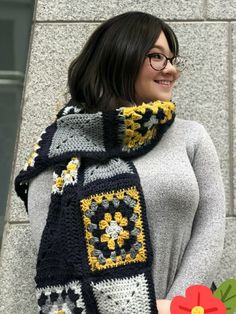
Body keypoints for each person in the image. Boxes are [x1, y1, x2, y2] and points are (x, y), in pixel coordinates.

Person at [15, 11, 225, 314]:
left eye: (173, 59)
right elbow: (53, 250)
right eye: (157, 57)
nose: (171, 70)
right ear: (119, 57)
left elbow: (211, 227)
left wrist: (177, 306)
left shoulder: (191, 137)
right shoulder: (59, 149)